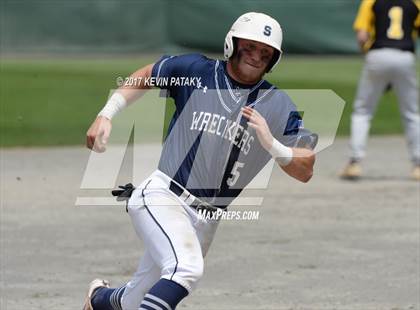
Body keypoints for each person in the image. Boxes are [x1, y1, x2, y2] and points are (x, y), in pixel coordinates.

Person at [83, 12, 317, 310]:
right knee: (186, 270)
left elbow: (306, 167)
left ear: (273, 60)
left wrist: (273, 145)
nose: (256, 56)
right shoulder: (196, 70)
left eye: (265, 52)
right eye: (250, 46)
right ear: (232, 44)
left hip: (207, 219)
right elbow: (148, 74)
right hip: (164, 195)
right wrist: (107, 113)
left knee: (133, 301)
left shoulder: (277, 103)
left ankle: (96, 299)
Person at [341, 0, 420, 180]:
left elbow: (362, 36)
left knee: (363, 111)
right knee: (411, 113)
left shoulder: (371, 1)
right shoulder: (415, 2)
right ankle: (418, 165)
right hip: (405, 56)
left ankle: (354, 163)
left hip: (378, 53)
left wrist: (369, 57)